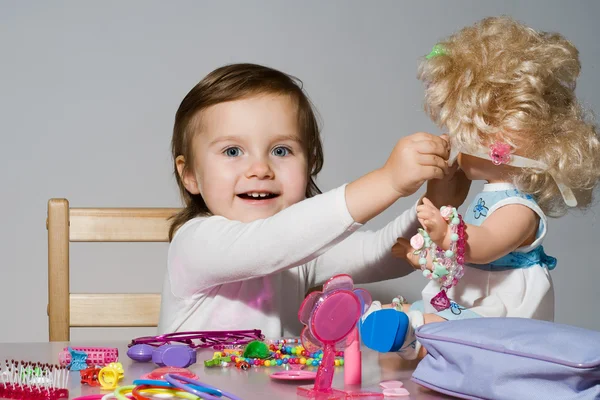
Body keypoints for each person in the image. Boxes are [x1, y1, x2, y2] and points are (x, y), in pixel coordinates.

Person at [157, 62, 470, 337]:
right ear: (190, 175)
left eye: (281, 151)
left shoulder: (300, 255)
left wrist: (437, 206)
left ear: (311, 164)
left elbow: (384, 254)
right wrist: (388, 181)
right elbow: (272, 243)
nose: (260, 169)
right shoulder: (195, 243)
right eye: (232, 151)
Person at [360, 16, 600, 360]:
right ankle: (408, 329)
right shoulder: (488, 192)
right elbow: (459, 245)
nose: (455, 142)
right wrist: (424, 251)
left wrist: (445, 233)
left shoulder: (519, 208)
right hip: (473, 291)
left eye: (463, 134)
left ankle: (411, 332)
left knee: (458, 332)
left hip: (501, 308)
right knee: (443, 320)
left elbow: (485, 246)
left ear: (498, 149)